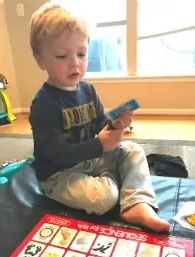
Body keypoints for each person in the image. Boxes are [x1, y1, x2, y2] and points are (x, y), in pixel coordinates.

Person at [29, 2, 170, 232]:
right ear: (40, 59)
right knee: (105, 197)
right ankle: (117, 185)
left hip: (92, 160)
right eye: (62, 55)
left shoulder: (88, 90)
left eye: (82, 53)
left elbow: (100, 125)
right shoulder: (43, 103)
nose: (75, 62)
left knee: (133, 150)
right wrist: (100, 145)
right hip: (60, 174)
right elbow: (56, 154)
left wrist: (115, 124)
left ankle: (137, 202)